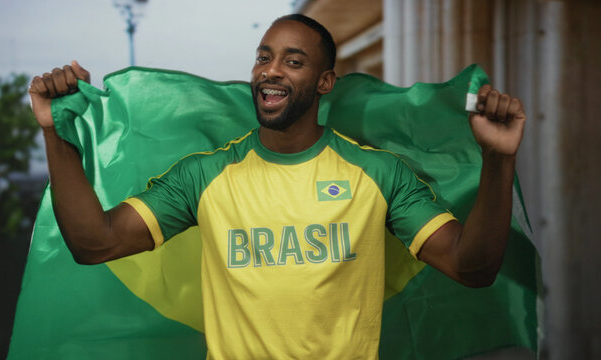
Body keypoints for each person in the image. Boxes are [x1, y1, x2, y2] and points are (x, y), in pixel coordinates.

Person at [28, 14, 525, 360]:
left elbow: (471, 267)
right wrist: (54, 133)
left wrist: (498, 161)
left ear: (325, 82)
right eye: (264, 57)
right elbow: (95, 244)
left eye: (293, 60)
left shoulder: (379, 174)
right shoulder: (204, 175)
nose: (270, 70)